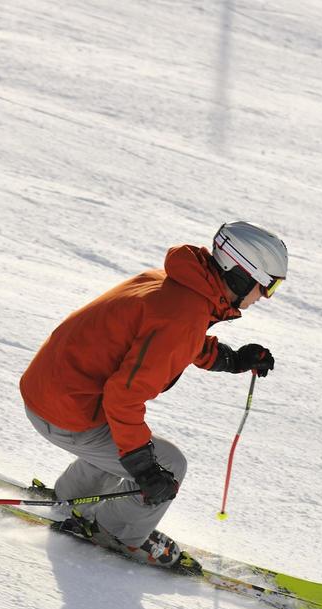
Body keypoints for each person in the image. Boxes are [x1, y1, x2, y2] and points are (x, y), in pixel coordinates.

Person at [19, 221, 286, 566]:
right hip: (66, 412)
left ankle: (70, 501)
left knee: (128, 441)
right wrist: (145, 468)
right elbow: (125, 396)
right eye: (268, 286)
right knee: (166, 464)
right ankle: (114, 532)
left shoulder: (174, 286)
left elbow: (168, 340)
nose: (265, 296)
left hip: (52, 392)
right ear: (241, 274)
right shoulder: (184, 316)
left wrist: (232, 360)